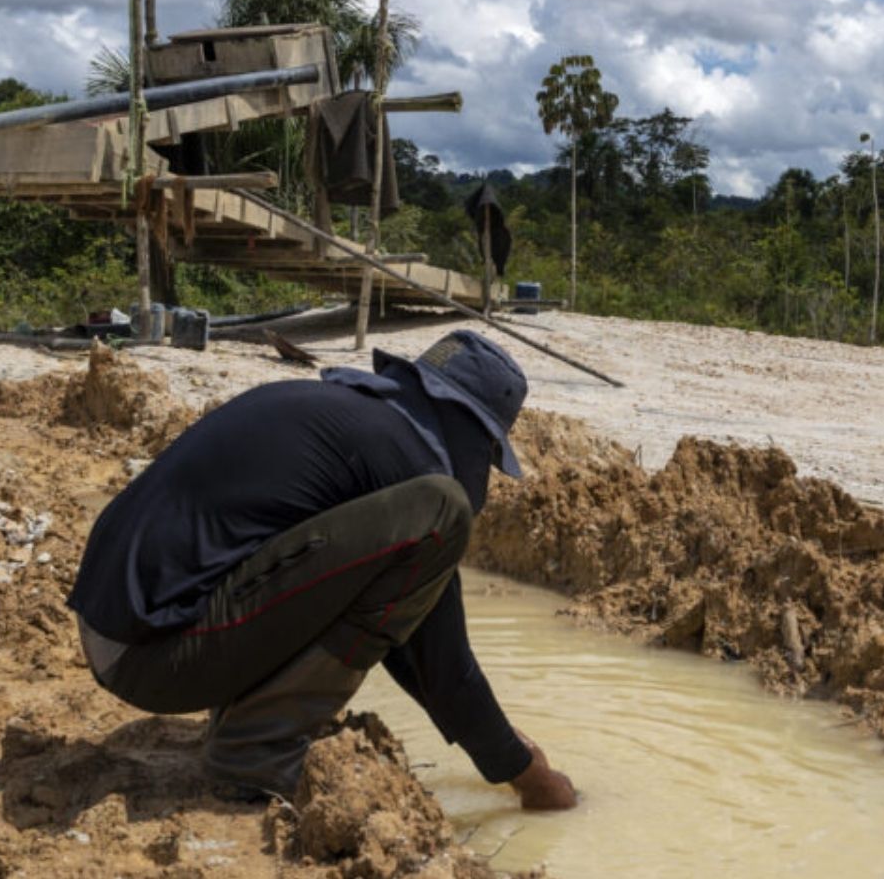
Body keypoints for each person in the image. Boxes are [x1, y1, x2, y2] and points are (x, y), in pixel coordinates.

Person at [67, 330, 579, 808]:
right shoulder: (403, 462)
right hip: (153, 659)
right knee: (443, 510)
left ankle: (249, 724)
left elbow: (402, 635)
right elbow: (442, 665)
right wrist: (528, 774)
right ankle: (256, 749)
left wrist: (499, 747)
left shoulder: (348, 422)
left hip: (122, 636)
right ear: (468, 427)